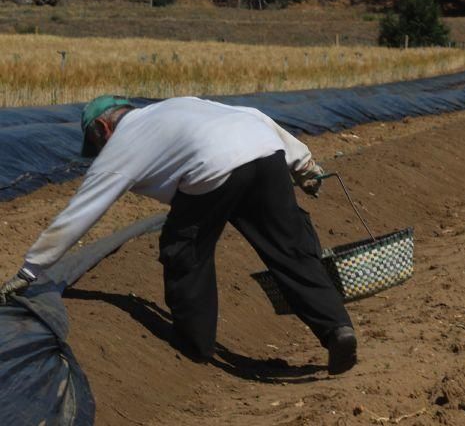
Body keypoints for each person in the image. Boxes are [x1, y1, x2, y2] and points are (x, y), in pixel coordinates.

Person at [0, 95, 358, 375]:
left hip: (212, 169)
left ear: (102, 130)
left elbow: (82, 210)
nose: (98, 154)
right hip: (265, 152)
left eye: (95, 145)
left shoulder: (123, 141)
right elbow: (253, 114)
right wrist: (303, 162)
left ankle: (194, 345)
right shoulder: (179, 106)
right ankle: (336, 329)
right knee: (290, 247)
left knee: (184, 249)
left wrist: (32, 268)